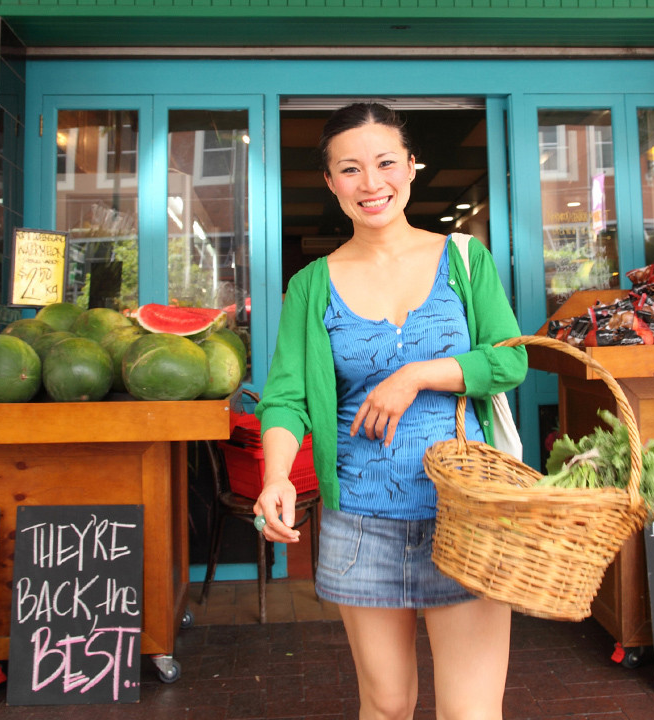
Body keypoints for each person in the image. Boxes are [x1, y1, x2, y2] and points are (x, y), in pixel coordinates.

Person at [254, 102, 528, 720]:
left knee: (470, 713)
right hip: (361, 520)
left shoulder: (464, 259)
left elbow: (510, 360)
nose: (370, 183)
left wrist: (416, 375)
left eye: (385, 163)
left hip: (467, 513)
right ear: (331, 182)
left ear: (411, 167)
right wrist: (276, 477)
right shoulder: (311, 285)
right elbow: (287, 399)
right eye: (350, 169)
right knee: (385, 705)